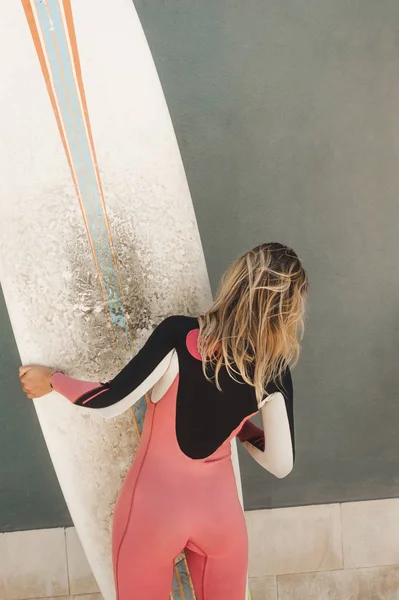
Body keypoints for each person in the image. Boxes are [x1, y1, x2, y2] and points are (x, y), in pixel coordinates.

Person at [19, 242, 308, 600]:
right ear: (290, 311)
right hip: (220, 519)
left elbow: (110, 400)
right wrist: (239, 427)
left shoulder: (181, 335)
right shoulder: (273, 370)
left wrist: (51, 381)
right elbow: (281, 464)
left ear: (235, 280)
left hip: (153, 511)